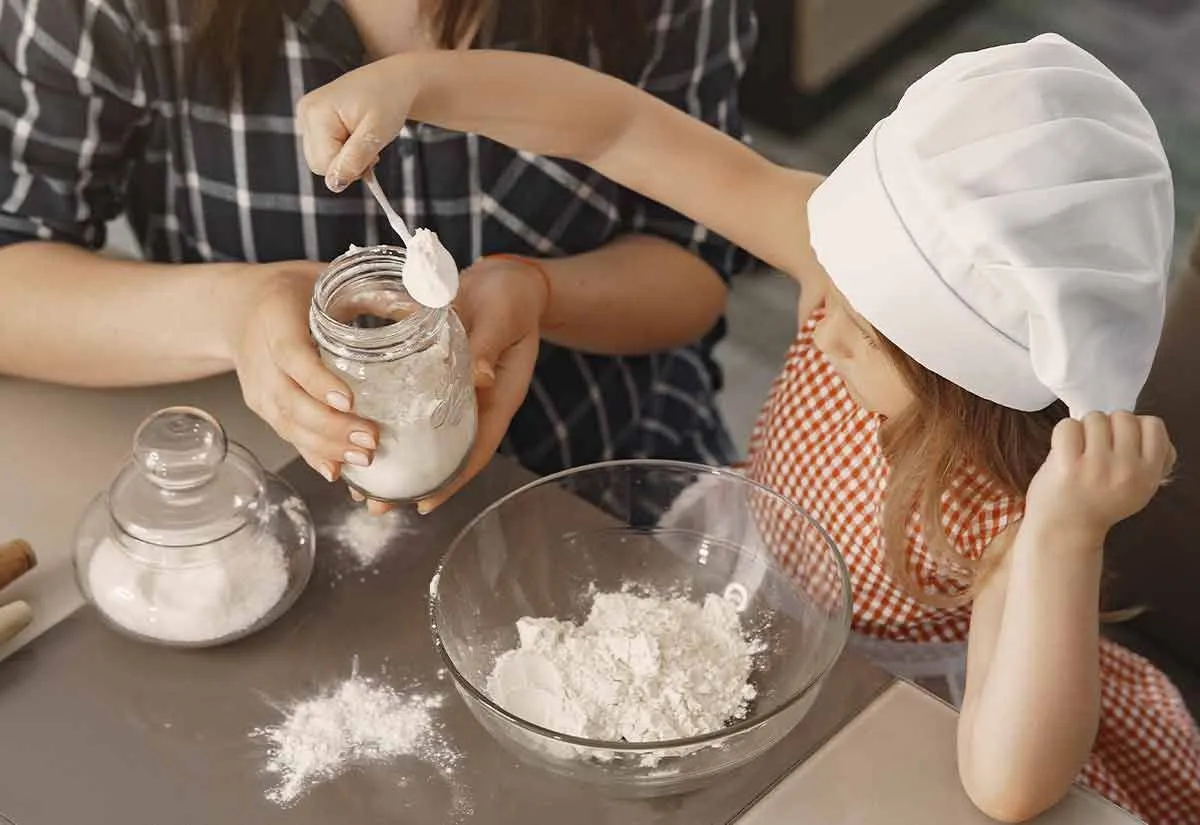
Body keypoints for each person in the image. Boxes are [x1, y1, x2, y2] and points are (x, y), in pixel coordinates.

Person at [295, 32, 1200, 823]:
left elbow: (1007, 785)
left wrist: (1068, 535)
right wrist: (420, 85)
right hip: (732, 575)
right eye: (833, 280)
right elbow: (620, 130)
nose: (821, 314)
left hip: (874, 707)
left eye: (865, 324)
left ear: (967, 380)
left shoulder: (1014, 509)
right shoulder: (839, 263)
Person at [0, 0, 753, 513]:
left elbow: (694, 259)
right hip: (280, 497)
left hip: (608, 481)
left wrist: (539, 291)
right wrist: (236, 310)